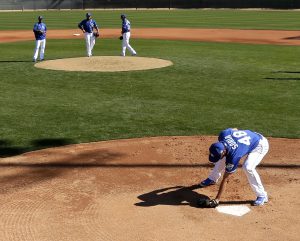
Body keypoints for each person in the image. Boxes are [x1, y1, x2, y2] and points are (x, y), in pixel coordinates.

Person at [199, 128, 269, 207]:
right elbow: (235, 129)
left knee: (248, 167)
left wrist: (217, 199)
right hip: (248, 139)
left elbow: (226, 178)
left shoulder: (234, 156)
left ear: (224, 151)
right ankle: (212, 178)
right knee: (221, 159)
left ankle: (262, 195)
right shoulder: (223, 134)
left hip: (259, 145)